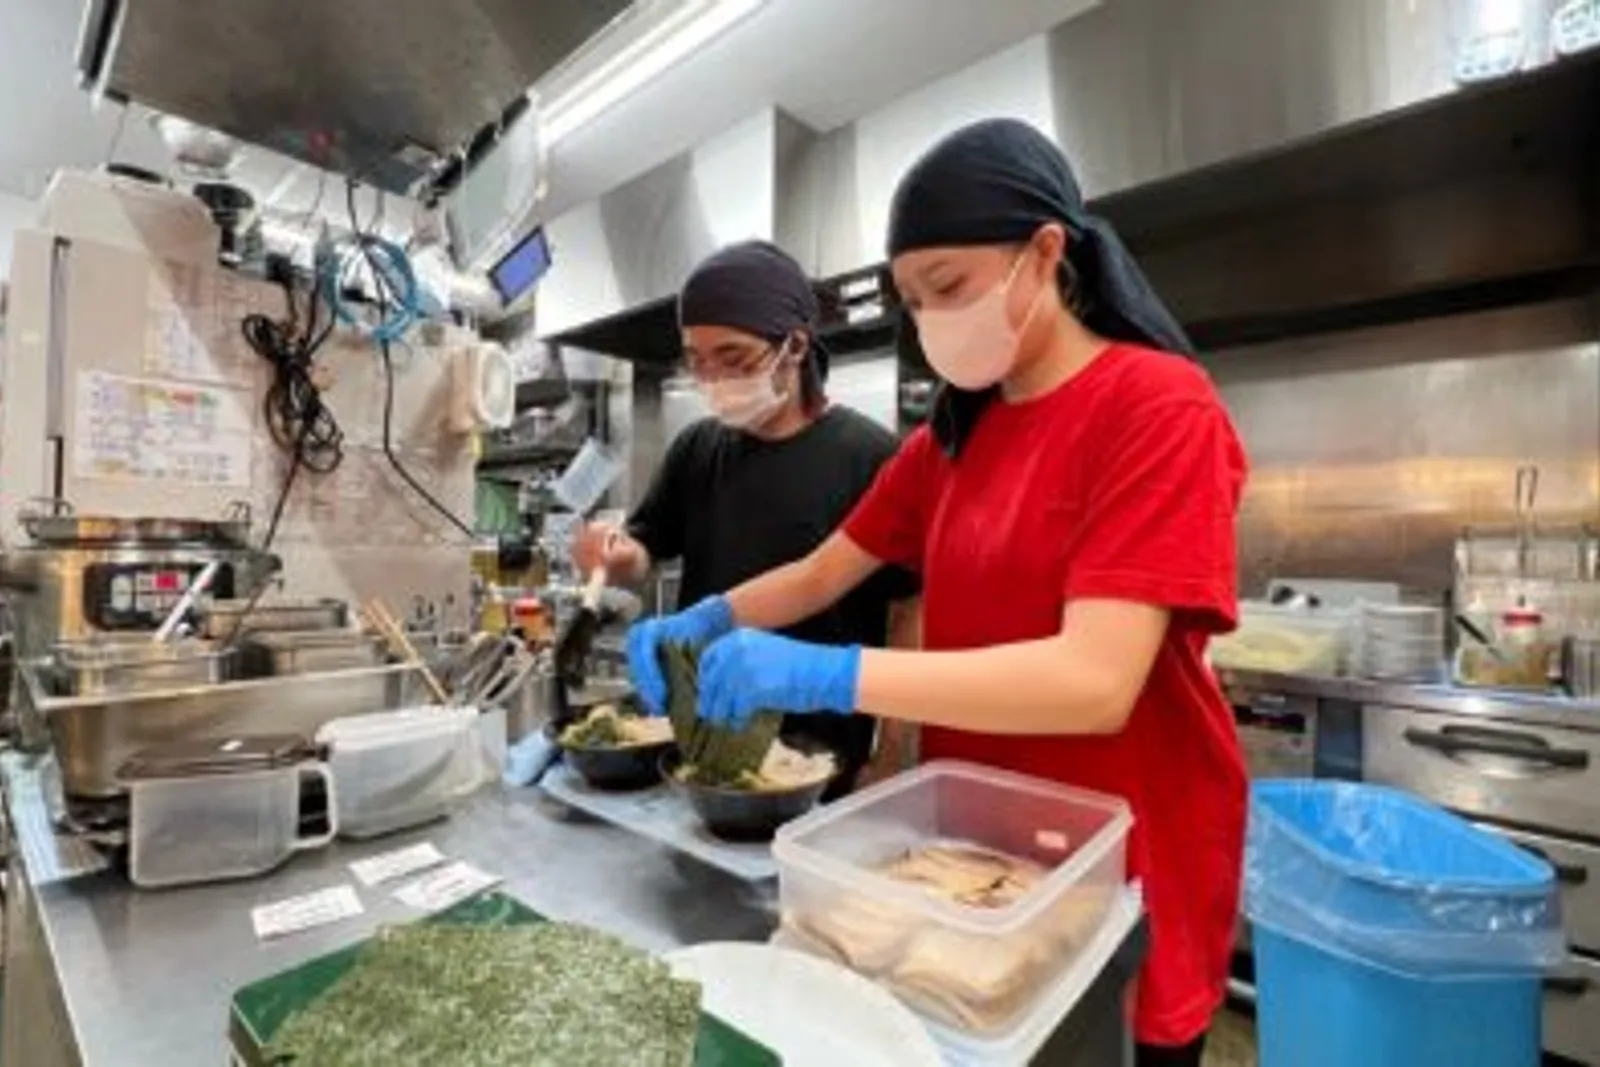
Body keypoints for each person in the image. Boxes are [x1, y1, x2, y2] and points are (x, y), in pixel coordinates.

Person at [626, 121, 1248, 1066]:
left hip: (1123, 858)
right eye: (912, 300)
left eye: (949, 287)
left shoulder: (1158, 408)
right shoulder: (948, 444)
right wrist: (707, 618)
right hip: (975, 861)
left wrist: (836, 676)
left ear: (1046, 253)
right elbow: (823, 571)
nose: (930, 320)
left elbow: (1097, 680)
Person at [575, 240, 919, 794]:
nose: (713, 379)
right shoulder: (697, 447)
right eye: (697, 361)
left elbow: (907, 608)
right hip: (701, 743)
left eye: (732, 359)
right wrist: (614, 554)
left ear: (796, 346)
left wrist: (892, 754)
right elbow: (645, 545)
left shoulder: (871, 456)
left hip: (822, 758)